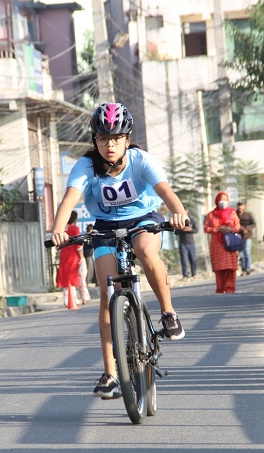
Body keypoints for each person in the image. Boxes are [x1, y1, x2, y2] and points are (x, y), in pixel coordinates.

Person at [50, 102, 189, 399]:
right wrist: (58, 230)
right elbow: (69, 200)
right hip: (105, 228)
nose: (109, 145)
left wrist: (178, 213)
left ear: (127, 139)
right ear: (94, 140)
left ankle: (168, 314)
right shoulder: (86, 166)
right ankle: (111, 373)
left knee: (145, 250)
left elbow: (166, 192)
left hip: (144, 220)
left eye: (115, 139)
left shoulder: (140, 160)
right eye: (102, 139)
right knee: (107, 291)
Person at [204, 192, 242, 294]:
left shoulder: (232, 213)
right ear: (217, 201)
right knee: (219, 268)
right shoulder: (211, 215)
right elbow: (206, 228)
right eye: (221, 199)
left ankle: (230, 288)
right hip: (217, 245)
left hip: (230, 244)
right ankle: (220, 288)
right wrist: (217, 229)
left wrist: (230, 228)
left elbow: (238, 226)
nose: (223, 202)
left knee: (230, 267)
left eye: (225, 200)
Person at [56, 211, 84, 306]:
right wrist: (81, 257)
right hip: (73, 256)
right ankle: (74, 299)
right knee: (74, 277)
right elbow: (78, 244)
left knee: (65, 278)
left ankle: (66, 300)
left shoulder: (63, 229)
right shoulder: (74, 229)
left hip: (64, 255)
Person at [236, 201, 256, 275]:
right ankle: (244, 269)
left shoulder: (248, 215)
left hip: (248, 236)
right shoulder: (235, 214)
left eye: (241, 205)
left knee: (247, 251)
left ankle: (248, 268)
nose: (240, 207)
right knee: (241, 253)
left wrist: (247, 229)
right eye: (239, 205)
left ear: (244, 206)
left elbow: (253, 224)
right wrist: (240, 229)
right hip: (238, 236)